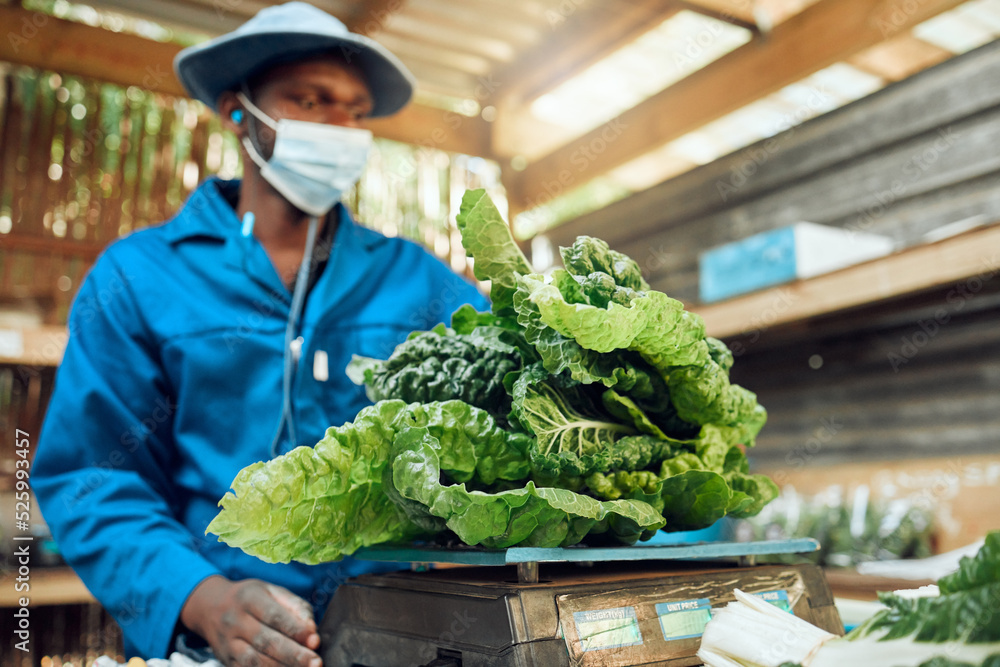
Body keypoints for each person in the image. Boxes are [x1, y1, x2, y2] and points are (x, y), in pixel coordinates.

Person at [31, 3, 489, 665]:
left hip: (404, 637)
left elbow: (511, 398)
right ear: (237, 111)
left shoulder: (417, 282)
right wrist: (201, 597)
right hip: (214, 646)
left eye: (356, 111)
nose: (342, 127)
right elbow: (92, 475)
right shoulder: (138, 276)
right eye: (312, 100)